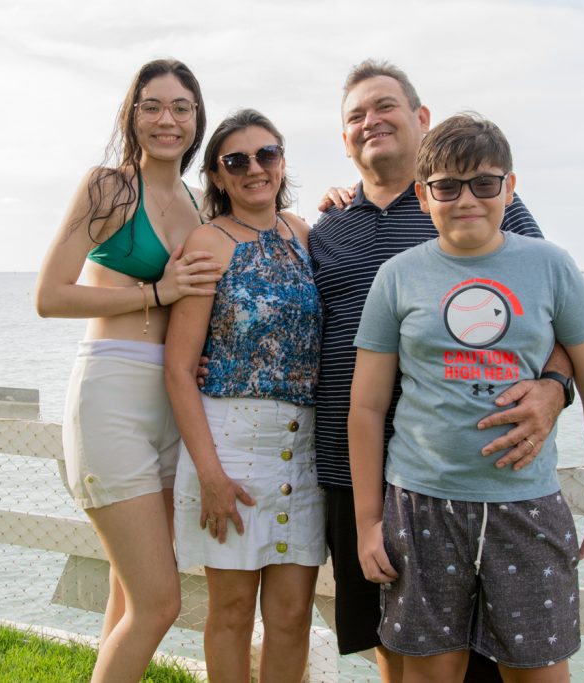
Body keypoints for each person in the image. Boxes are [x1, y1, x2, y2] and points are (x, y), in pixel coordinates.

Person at [310, 60, 574, 682]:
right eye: (355, 116)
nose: (370, 122)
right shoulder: (328, 225)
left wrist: (555, 388)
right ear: (344, 138)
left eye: (385, 107)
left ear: (420, 119)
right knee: (390, 644)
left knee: (479, 659)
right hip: (352, 469)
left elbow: (558, 315)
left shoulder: (479, 199)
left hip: (460, 478)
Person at [349, 112, 584, 683]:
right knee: (431, 673)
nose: (466, 199)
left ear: (510, 187)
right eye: (446, 187)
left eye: (484, 182)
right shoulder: (397, 276)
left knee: (540, 673)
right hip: (420, 502)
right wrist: (367, 522)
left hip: (526, 504)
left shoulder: (550, 266)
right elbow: (367, 407)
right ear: (424, 197)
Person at [35, 58, 221, 682]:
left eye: (181, 108)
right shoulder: (108, 188)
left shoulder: (200, 204)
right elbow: (51, 296)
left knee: (126, 594)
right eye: (152, 106)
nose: (167, 120)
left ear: (197, 121)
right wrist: (154, 294)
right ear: (132, 115)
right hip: (110, 394)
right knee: (159, 603)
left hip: (172, 403)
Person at [165, 109, 326, 683]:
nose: (255, 168)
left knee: (291, 616)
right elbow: (179, 369)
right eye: (237, 160)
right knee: (231, 612)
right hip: (229, 448)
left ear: (282, 162)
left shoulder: (308, 234)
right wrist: (209, 472)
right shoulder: (207, 243)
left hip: (303, 450)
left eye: (267, 155)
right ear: (218, 176)